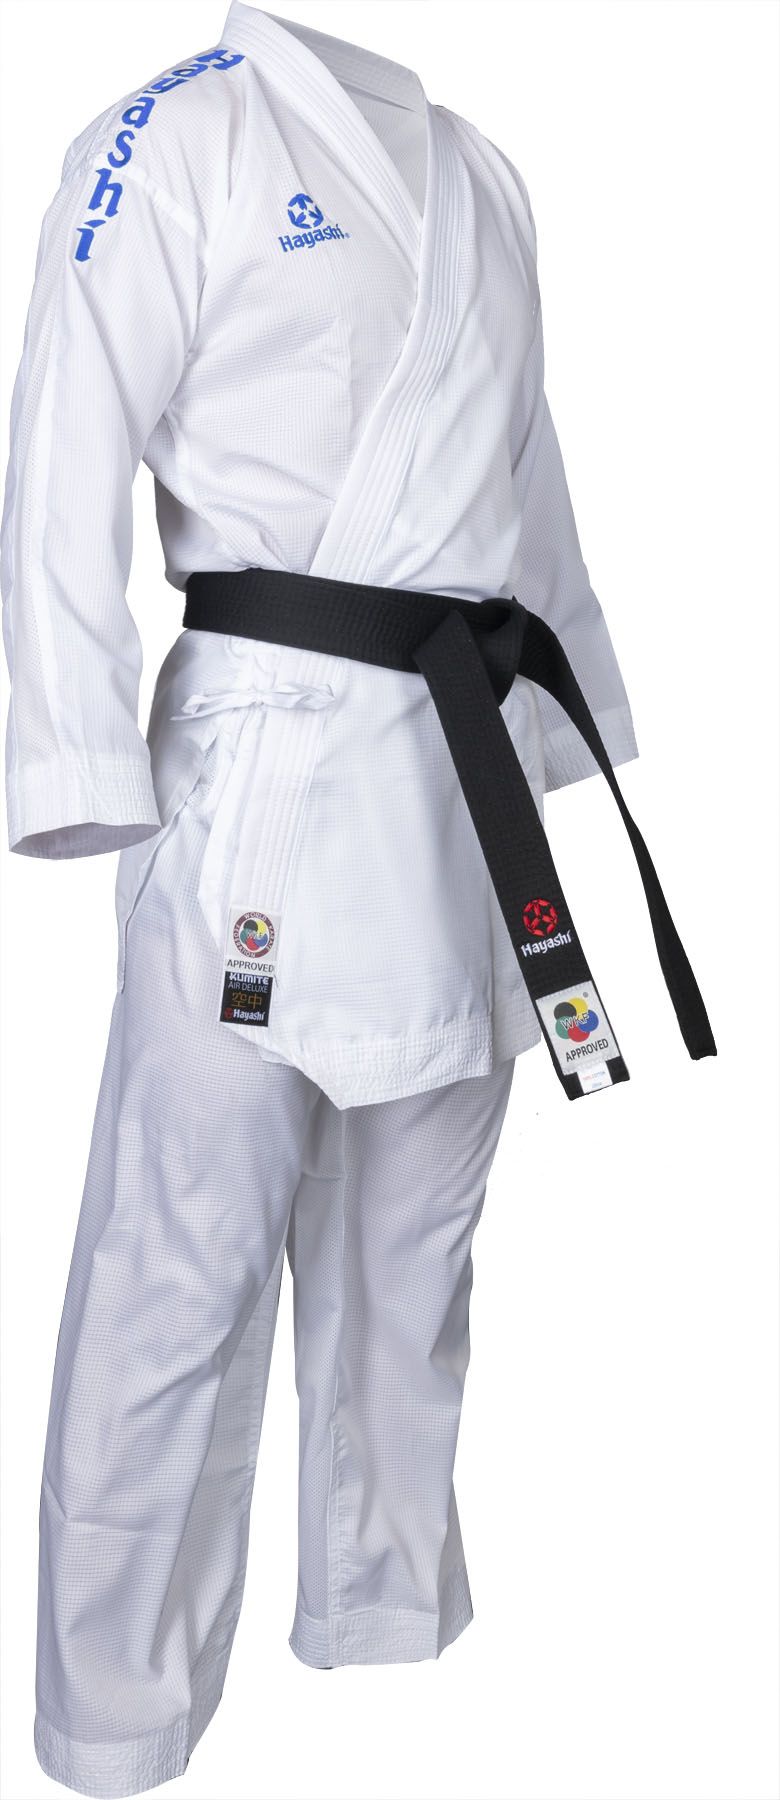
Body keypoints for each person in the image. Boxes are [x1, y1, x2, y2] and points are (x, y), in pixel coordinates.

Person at [0, 6, 714, 1795]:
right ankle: (115, 1712)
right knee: (182, 1259)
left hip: (461, 777)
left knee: (416, 1242)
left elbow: (523, 481)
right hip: (266, 764)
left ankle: (378, 1613)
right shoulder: (174, 138)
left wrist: (570, 730)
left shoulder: (482, 174)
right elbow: (60, 446)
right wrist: (70, 753)